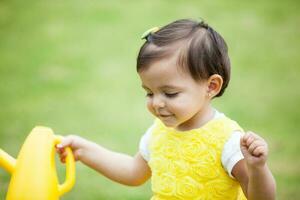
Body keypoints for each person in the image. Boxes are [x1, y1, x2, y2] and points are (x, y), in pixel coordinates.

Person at [56, 19, 276, 200]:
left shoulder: (228, 141)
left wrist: (257, 169)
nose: (157, 103)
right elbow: (133, 172)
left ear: (211, 86)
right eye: (150, 93)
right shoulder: (158, 133)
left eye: (170, 93)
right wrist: (84, 151)